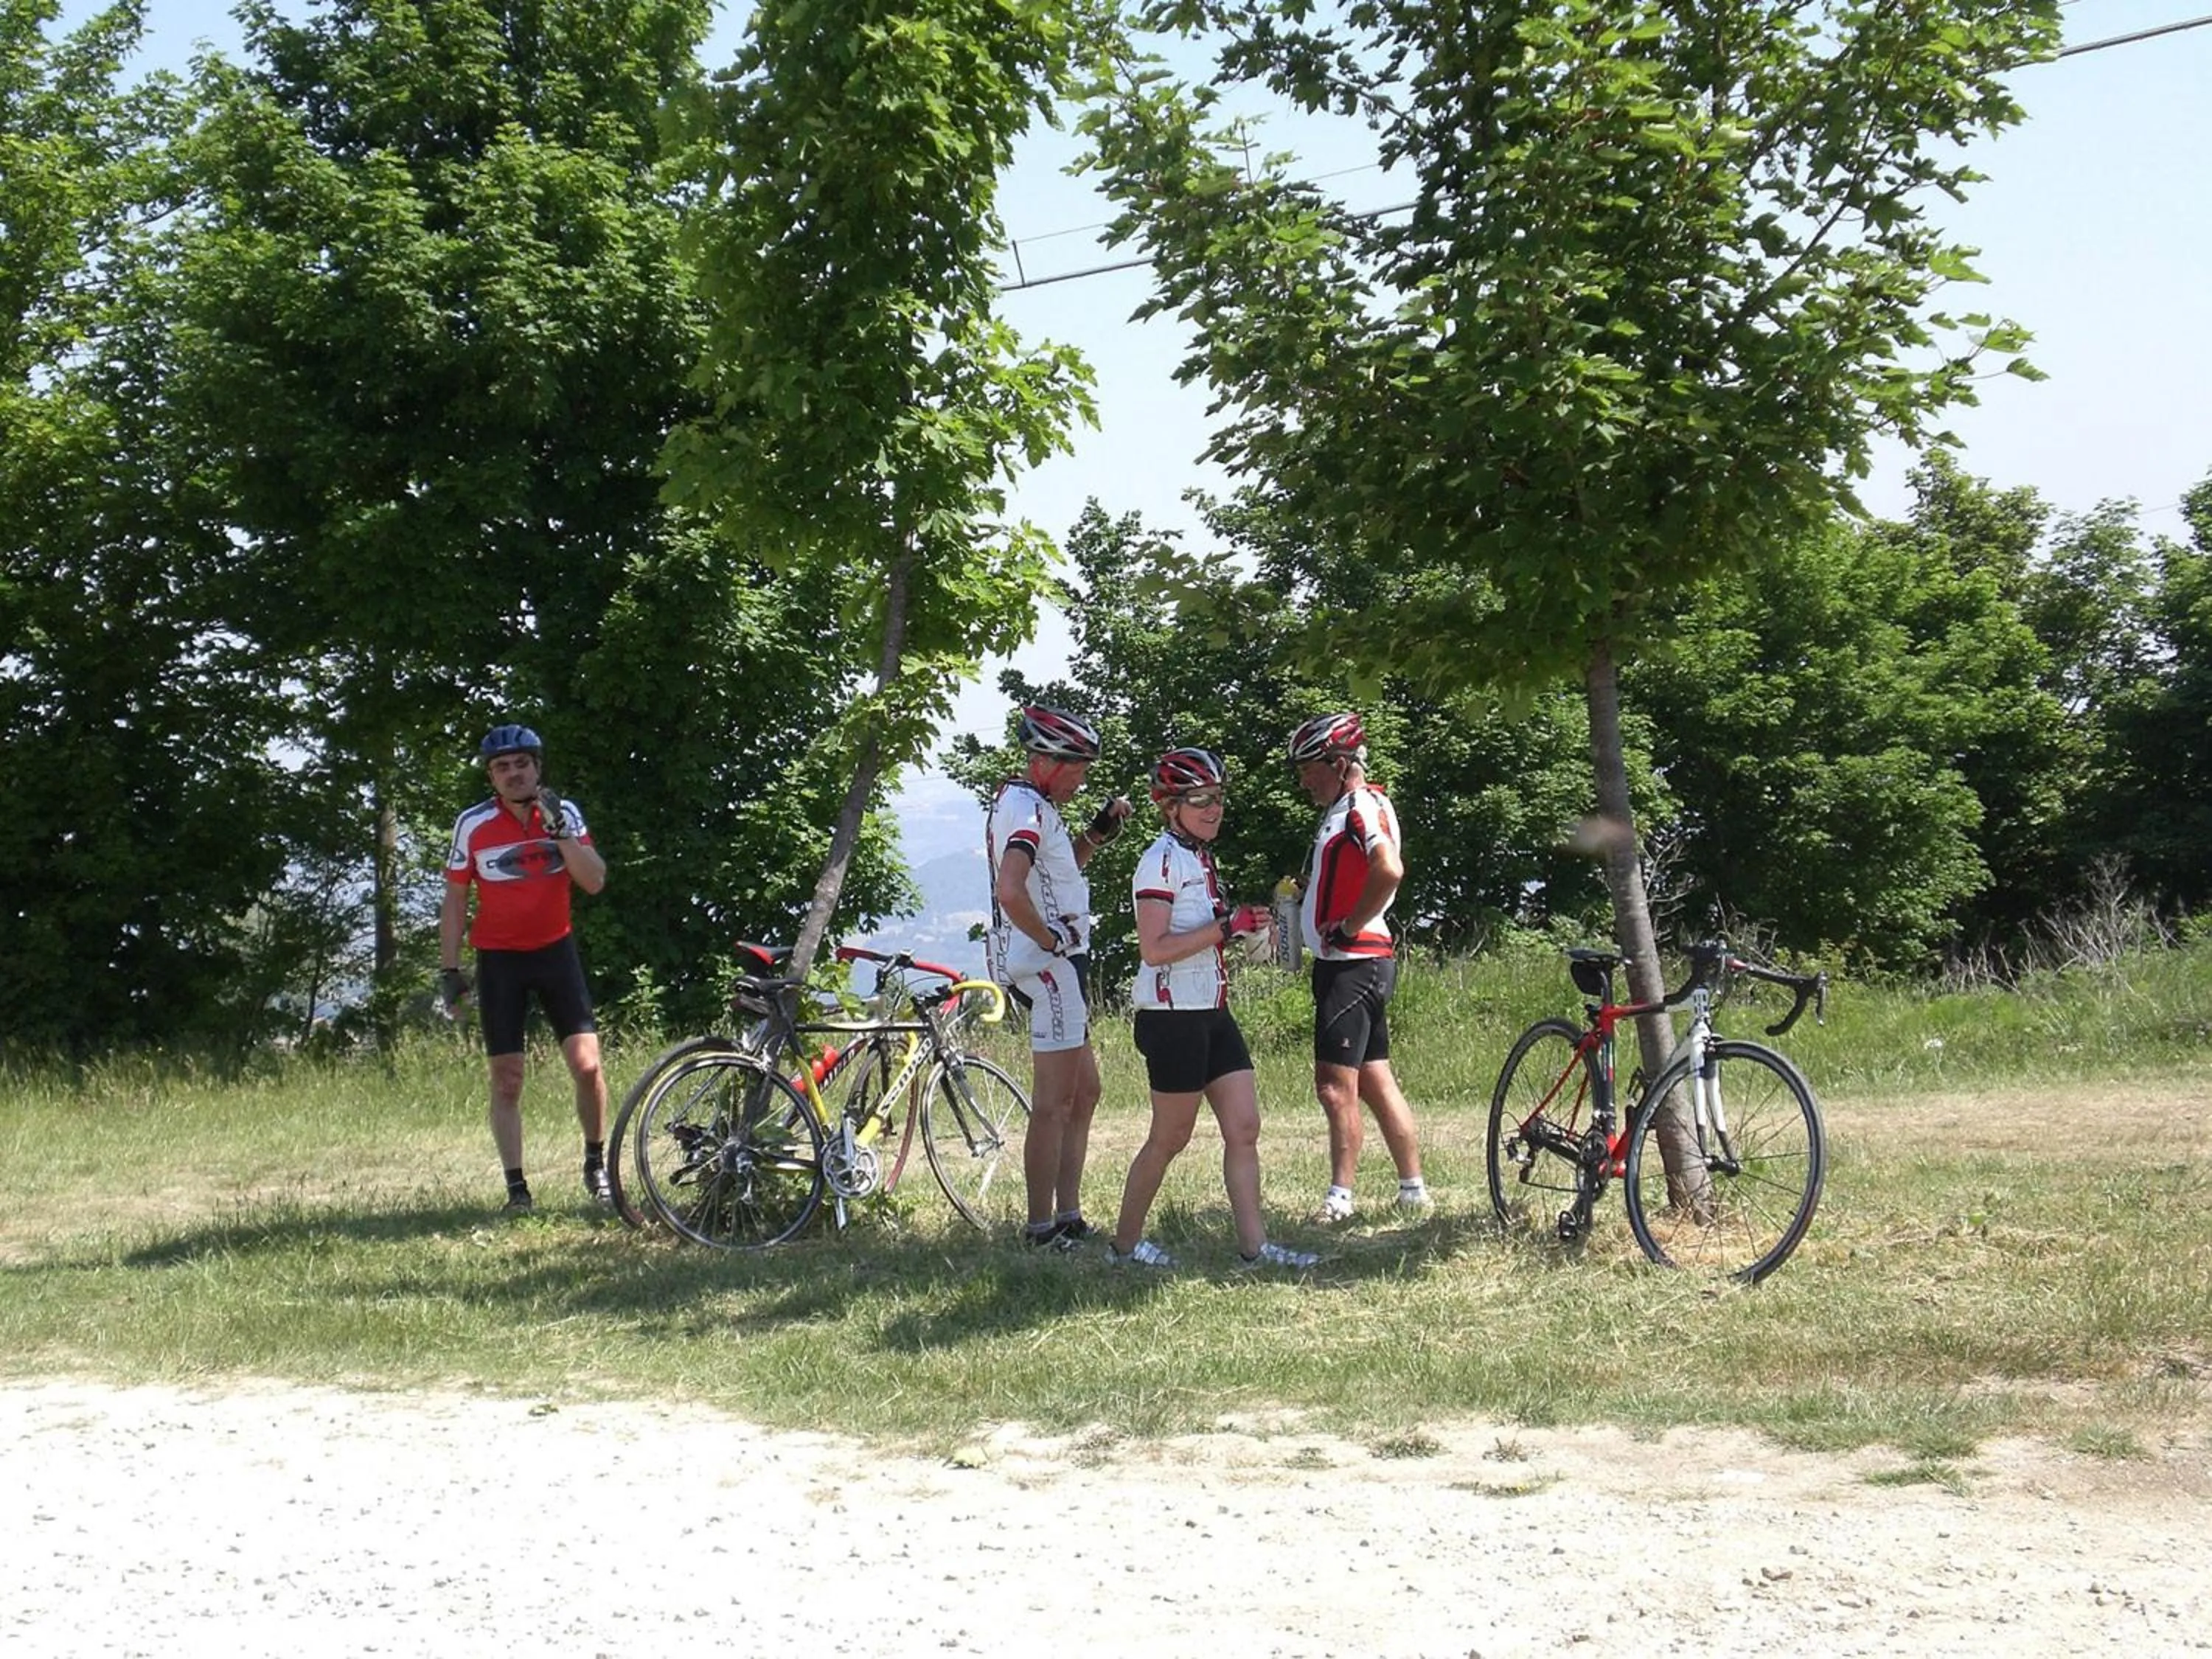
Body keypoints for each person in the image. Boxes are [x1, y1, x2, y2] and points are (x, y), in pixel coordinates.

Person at [1108, 748, 1320, 1271]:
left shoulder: (1200, 857)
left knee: (1245, 1126)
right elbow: (1154, 949)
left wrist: (1249, 926)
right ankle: (1124, 1246)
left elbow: (1205, 937)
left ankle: (1256, 1248)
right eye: (1199, 799)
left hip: (1212, 1008)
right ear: (1170, 806)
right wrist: (1228, 927)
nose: (1213, 808)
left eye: (1219, 798)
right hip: (1171, 1016)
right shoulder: (1159, 860)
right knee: (1170, 1137)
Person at [438, 724, 611, 1214]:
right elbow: (455, 899)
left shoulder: (564, 814)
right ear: (491, 777)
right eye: (501, 768)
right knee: (508, 1078)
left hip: (555, 951)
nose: (513, 775)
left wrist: (562, 835)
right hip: (499, 960)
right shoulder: (472, 825)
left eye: (521, 764)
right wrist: (450, 971)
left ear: (538, 768)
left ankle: (595, 1164)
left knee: (588, 1066)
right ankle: (517, 1190)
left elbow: (594, 881)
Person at [986, 705, 1130, 1249]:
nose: (1083, 778)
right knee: (1053, 1103)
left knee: (1085, 1090)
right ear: (1045, 761)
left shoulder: (1032, 805)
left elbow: (1056, 873)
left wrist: (1096, 833)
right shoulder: (1025, 810)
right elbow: (1011, 888)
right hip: (1051, 968)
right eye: (1077, 767)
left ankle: (1067, 1215)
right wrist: (1050, 942)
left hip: (1055, 964)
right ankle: (1042, 1228)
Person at [1287, 712, 1429, 1224]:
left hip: (1353, 960)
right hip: (1357, 961)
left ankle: (1340, 1199)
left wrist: (1348, 926)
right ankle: (1413, 1190)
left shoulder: (1360, 806)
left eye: (1309, 769)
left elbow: (1389, 868)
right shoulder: (1348, 807)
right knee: (1373, 1078)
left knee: (1333, 1085)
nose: (1303, 780)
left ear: (1339, 763)